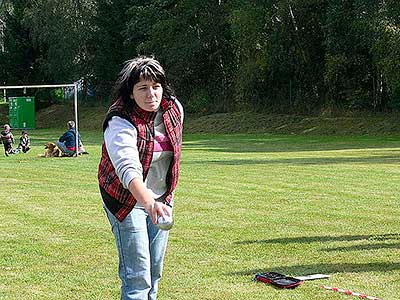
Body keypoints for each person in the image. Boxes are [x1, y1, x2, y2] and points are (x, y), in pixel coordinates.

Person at [98, 56, 184, 300]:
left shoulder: (174, 110)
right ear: (131, 92)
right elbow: (128, 168)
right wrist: (148, 203)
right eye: (143, 88)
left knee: (154, 272)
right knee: (138, 277)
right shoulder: (119, 119)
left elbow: (172, 156)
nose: (151, 95)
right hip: (126, 200)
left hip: (161, 198)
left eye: (156, 86)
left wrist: (163, 199)